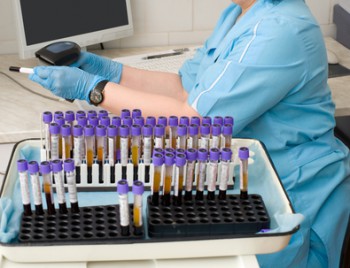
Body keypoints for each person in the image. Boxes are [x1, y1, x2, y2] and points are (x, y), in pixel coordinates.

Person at [29, 0, 350, 267]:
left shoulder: (280, 30)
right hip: (242, 184)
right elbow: (185, 89)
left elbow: (197, 124)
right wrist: (109, 70)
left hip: (292, 196)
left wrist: (94, 90)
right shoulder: (240, 14)